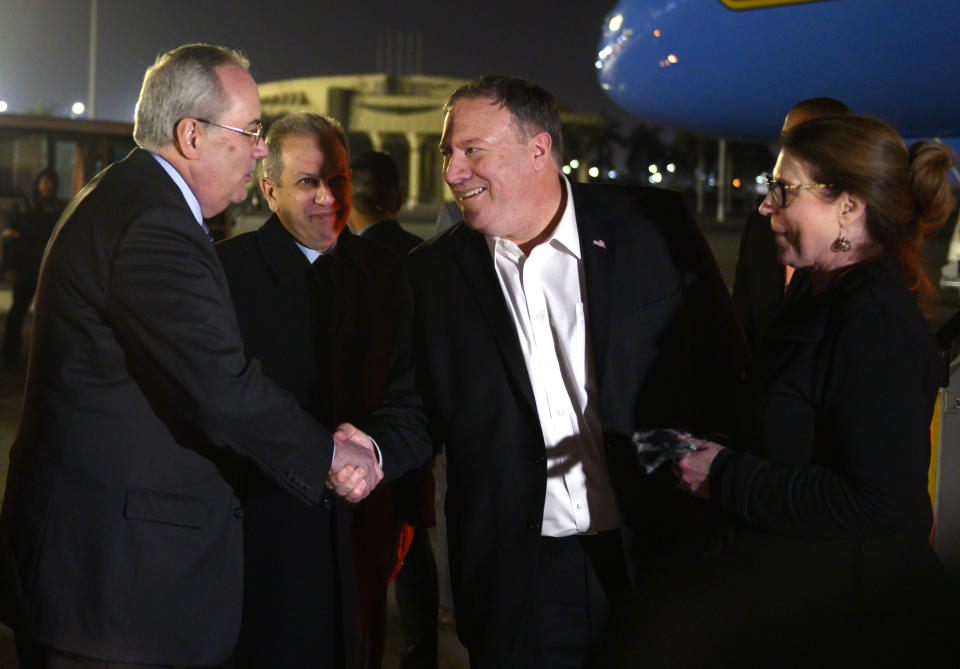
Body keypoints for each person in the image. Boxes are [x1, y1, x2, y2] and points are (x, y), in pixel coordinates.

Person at [0, 44, 386, 669]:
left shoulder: (124, 194)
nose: (261, 148)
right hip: (114, 593)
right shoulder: (153, 221)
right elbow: (219, 385)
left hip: (103, 578)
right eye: (252, 131)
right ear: (191, 135)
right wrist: (332, 455)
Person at [349, 74, 747, 668]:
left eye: (471, 151)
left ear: (538, 149)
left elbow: (726, 370)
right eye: (447, 154)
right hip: (520, 580)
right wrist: (373, 450)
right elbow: (417, 409)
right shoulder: (431, 274)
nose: (453, 172)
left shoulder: (652, 226)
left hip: (657, 554)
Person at [676, 114, 956, 665]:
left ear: (848, 205)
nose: (765, 206)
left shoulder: (873, 321)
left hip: (849, 626)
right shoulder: (820, 295)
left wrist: (726, 475)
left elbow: (879, 501)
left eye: (782, 190)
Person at [216, 114, 413, 669]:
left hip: (363, 531)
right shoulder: (224, 274)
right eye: (308, 182)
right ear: (268, 187)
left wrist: (378, 458)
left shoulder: (391, 273)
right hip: (260, 537)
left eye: (340, 179)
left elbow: (412, 396)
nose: (328, 197)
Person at [349, 150, 439, 669]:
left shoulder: (344, 260)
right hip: (415, 430)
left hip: (356, 429)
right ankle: (419, 651)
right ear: (398, 200)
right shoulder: (424, 255)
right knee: (413, 541)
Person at [732, 97, 850, 350]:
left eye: (784, 189)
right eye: (774, 187)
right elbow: (741, 320)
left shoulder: (859, 256)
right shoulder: (760, 228)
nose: (765, 208)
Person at [1, 167, 63, 367]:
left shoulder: (56, 210)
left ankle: (47, 359)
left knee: (51, 315)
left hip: (48, 269)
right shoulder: (22, 207)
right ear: (37, 183)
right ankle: (10, 355)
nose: (48, 186)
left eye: (52, 183)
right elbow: (10, 238)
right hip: (26, 268)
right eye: (45, 181)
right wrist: (10, 267)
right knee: (18, 311)